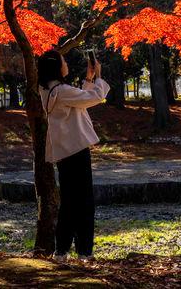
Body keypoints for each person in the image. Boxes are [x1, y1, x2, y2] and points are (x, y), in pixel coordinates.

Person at [37, 49, 110, 261]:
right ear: (56, 67)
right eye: (63, 61)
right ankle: (84, 251)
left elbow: (79, 99)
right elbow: (94, 97)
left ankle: (61, 251)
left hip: (64, 151)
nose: (66, 63)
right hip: (77, 151)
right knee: (85, 202)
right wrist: (98, 77)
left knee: (69, 201)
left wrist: (88, 79)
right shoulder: (63, 90)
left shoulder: (48, 90)